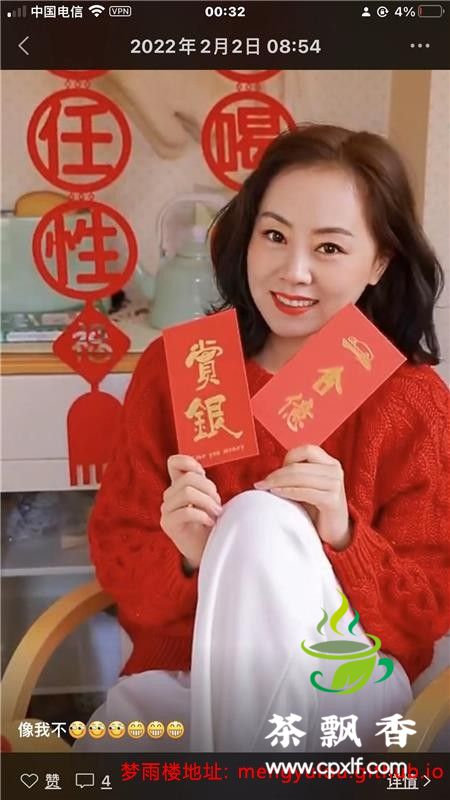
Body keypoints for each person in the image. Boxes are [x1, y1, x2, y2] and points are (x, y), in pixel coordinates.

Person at [78, 124, 450, 753]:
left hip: (340, 673)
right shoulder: (180, 369)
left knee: (257, 518)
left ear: (380, 261)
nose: (293, 272)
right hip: (181, 678)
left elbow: (426, 611)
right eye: (274, 236)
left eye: (329, 248)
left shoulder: (412, 401)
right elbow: (119, 561)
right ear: (247, 237)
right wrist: (191, 556)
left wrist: (343, 535)